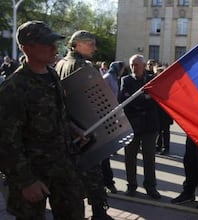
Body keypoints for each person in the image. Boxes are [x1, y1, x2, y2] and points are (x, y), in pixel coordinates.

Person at [0, 20, 84, 219]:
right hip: (33, 173)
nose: (54, 47)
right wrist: (26, 181)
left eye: (53, 42)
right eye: (46, 43)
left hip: (63, 168)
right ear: (26, 48)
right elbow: (6, 142)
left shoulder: (52, 75)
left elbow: (55, 113)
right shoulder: (13, 89)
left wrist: (72, 128)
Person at [55, 30, 114, 220]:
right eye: (90, 43)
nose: (94, 48)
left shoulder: (61, 64)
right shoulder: (83, 66)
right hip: (87, 130)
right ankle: (98, 212)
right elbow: (96, 101)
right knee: (94, 175)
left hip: (69, 129)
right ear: (77, 44)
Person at [118, 54, 161, 199]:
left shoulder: (151, 80)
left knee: (149, 158)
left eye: (137, 65)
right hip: (132, 126)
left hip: (150, 125)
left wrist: (139, 100)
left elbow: (155, 100)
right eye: (132, 65)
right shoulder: (126, 80)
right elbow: (124, 100)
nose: (134, 68)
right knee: (130, 157)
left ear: (143, 65)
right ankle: (131, 186)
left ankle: (151, 187)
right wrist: (144, 99)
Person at [101, 61, 126, 193]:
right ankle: (107, 182)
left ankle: (107, 181)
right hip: (105, 116)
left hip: (112, 115)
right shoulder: (107, 78)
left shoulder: (114, 78)